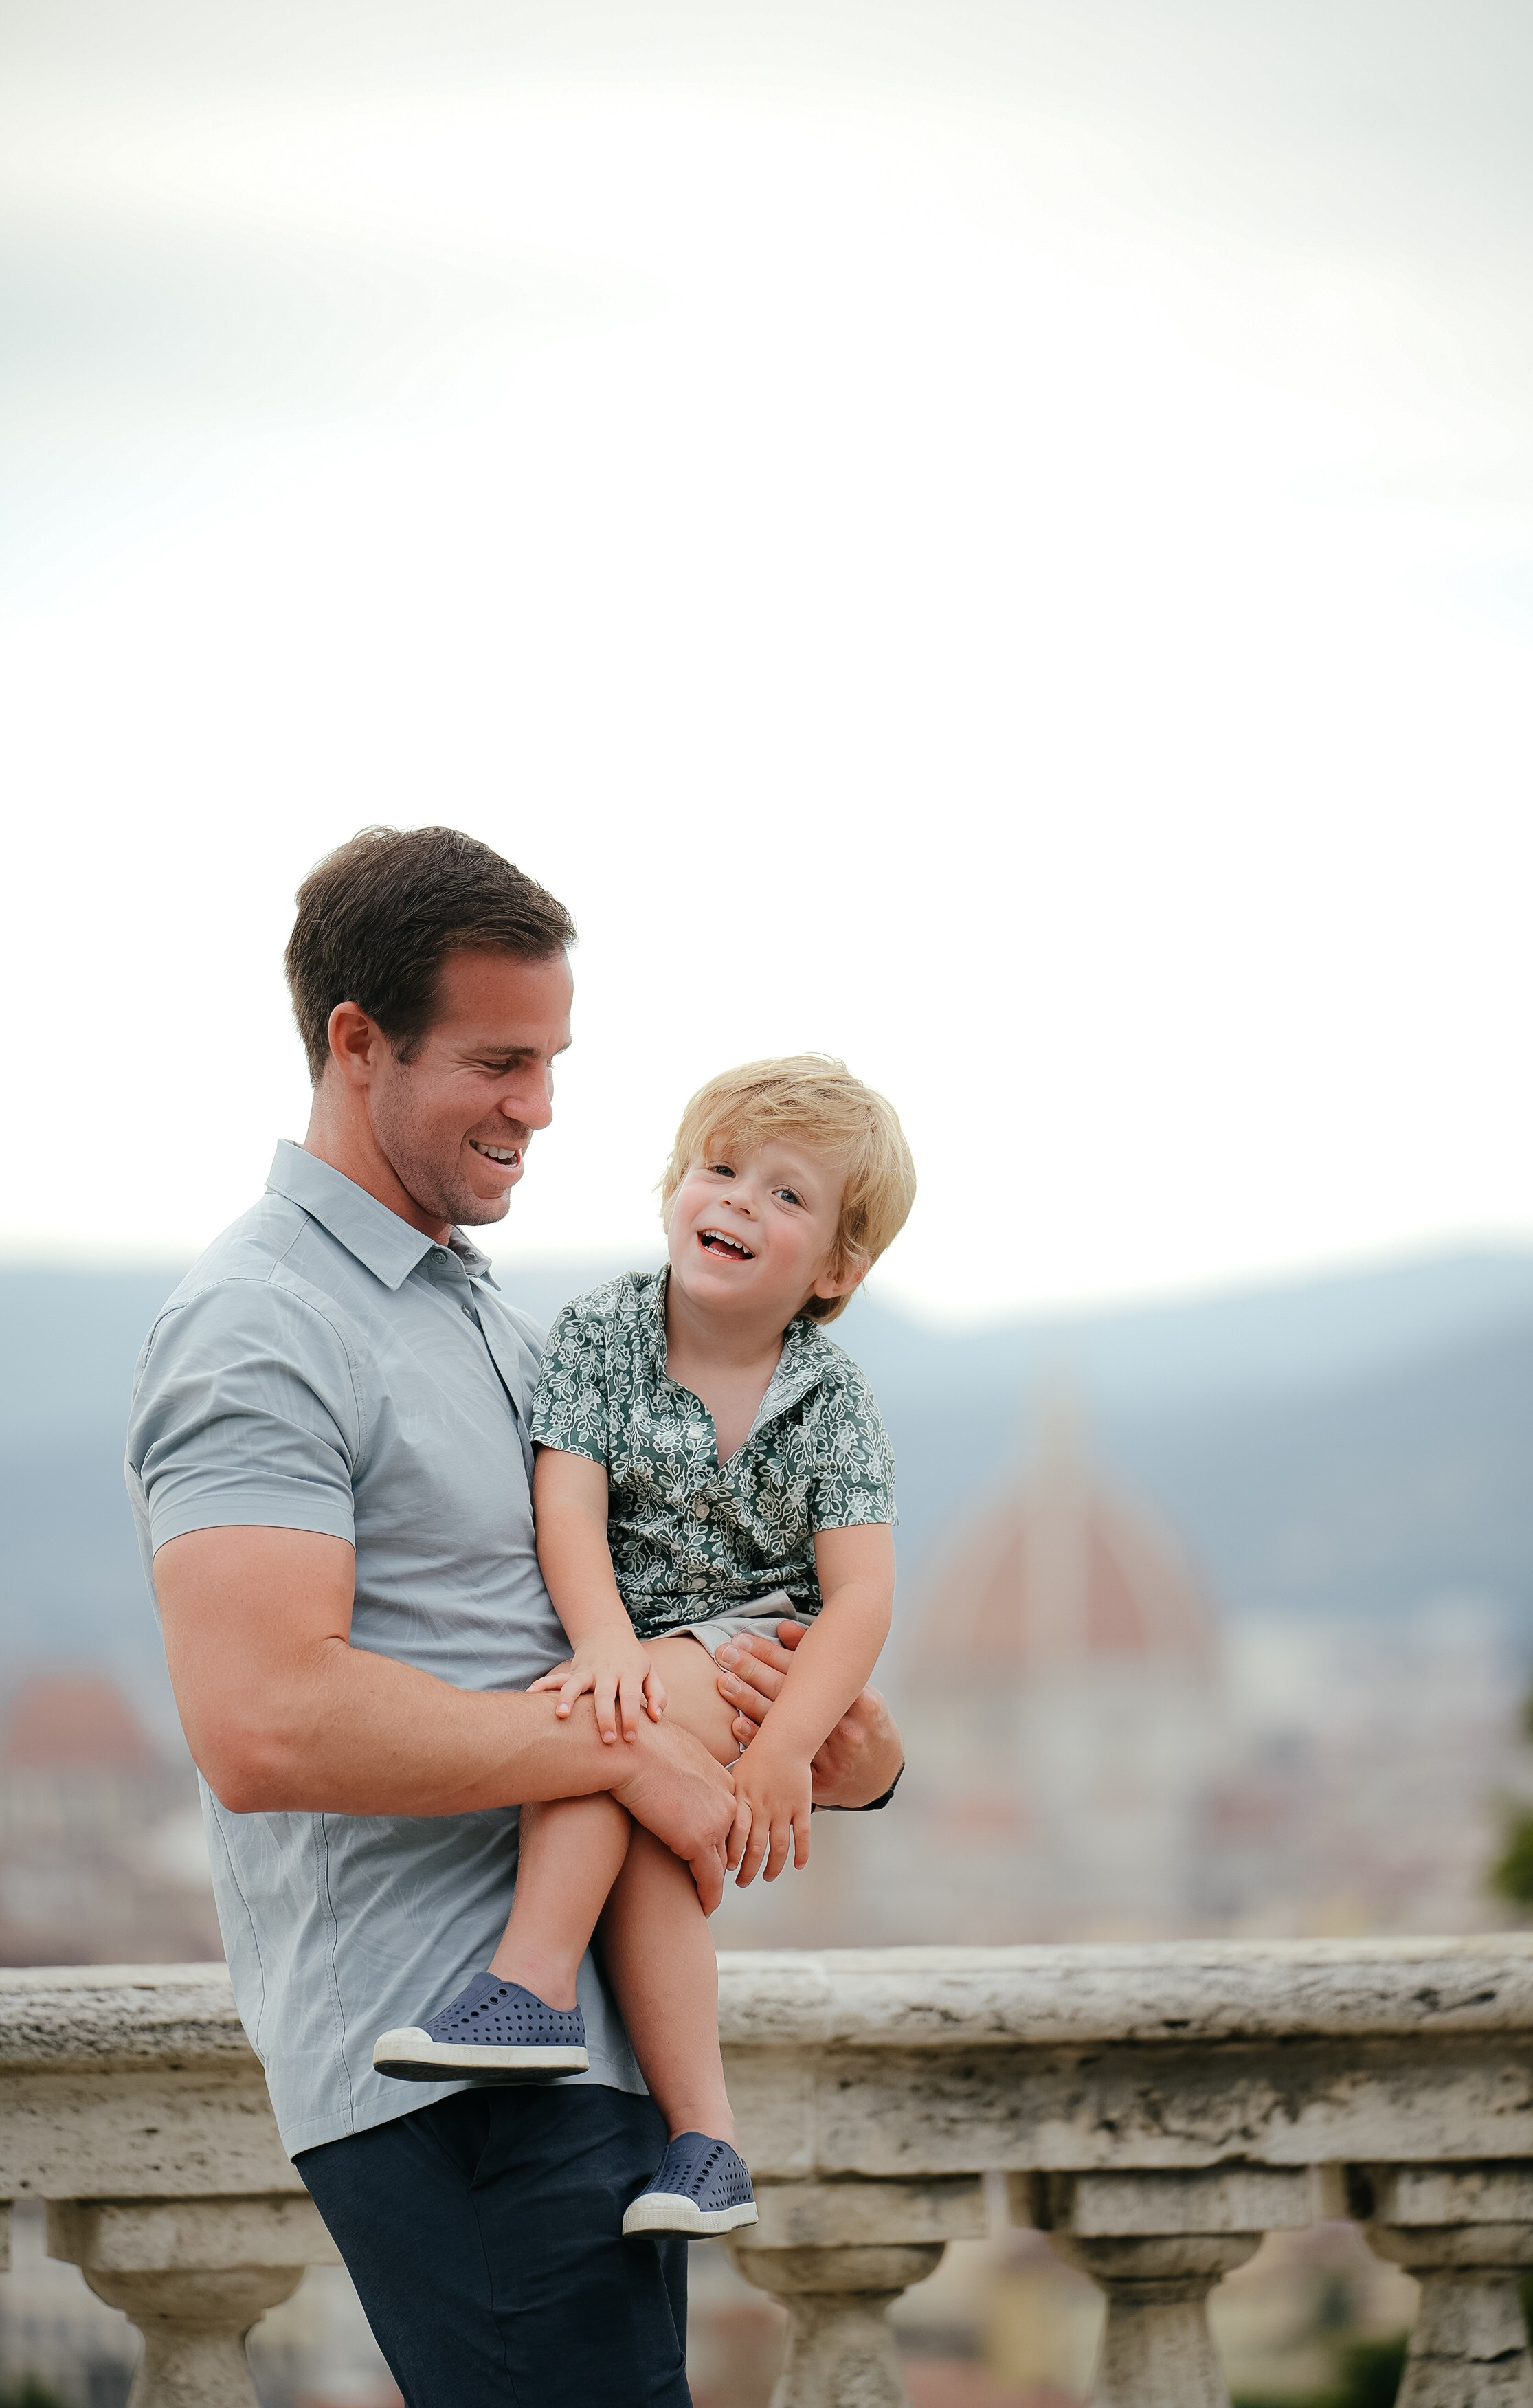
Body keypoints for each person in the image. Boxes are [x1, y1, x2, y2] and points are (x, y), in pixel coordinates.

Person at [124, 826, 905, 2408]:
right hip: (440, 2052)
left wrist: (814, 1738)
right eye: (497, 1060)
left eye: (551, 1061)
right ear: (358, 1042)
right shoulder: (261, 1321)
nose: (540, 1109)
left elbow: (594, 1624)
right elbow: (264, 1723)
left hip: (579, 2047)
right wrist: (628, 1759)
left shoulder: (480, 1307)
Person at [372, 1058, 915, 2242]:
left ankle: (529, 1986)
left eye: (785, 1195)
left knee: (589, 1733)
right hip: (643, 1641)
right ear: (673, 1185)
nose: (735, 1202)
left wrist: (783, 1749)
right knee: (647, 1862)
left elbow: (860, 1597)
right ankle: (707, 2141)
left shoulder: (832, 1398)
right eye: (719, 1170)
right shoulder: (604, 1332)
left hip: (751, 1653)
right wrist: (608, 1641)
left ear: (834, 1270)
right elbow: (565, 1507)